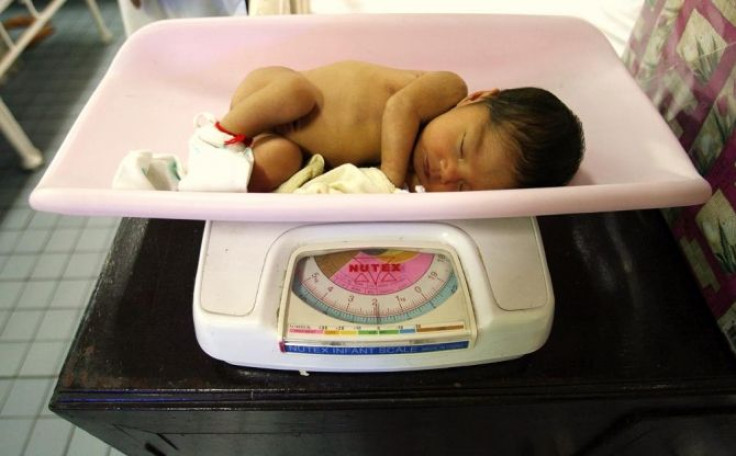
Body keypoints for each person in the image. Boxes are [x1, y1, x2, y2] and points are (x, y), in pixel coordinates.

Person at [192, 60, 584, 193]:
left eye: (464, 186)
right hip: (270, 97)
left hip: (283, 141)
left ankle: (219, 175)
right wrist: (392, 175)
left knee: (277, 166)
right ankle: (219, 134)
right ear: (478, 99)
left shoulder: (415, 172)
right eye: (463, 147)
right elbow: (400, 107)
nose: (448, 172)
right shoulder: (448, 88)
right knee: (298, 92)